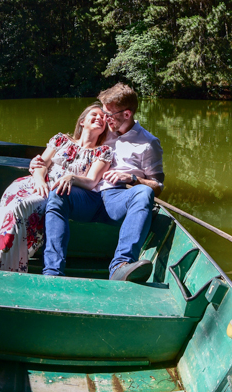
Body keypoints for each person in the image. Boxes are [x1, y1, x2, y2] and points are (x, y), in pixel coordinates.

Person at [35, 83, 165, 282]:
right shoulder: (104, 130)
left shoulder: (148, 143)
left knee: (144, 193)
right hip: (88, 196)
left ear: (127, 114)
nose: (104, 119)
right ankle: (53, 271)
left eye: (109, 115)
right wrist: (40, 163)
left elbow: (158, 186)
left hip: (118, 199)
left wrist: (133, 179)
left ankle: (120, 266)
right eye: (104, 113)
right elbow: (76, 141)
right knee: (58, 192)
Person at [0, 103, 112, 273]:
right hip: (35, 183)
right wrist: (39, 179)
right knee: (9, 210)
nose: (99, 118)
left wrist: (70, 177)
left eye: (103, 118)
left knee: (20, 207)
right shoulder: (61, 139)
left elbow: (91, 182)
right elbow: (42, 163)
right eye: (95, 114)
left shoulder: (103, 152)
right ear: (82, 121)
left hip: (56, 193)